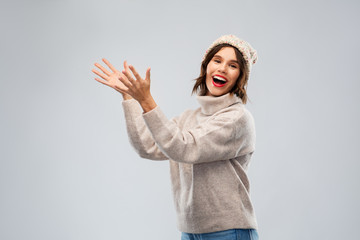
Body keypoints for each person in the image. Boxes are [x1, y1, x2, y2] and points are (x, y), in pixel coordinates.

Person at [92, 34, 259, 240]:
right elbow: (148, 146)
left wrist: (147, 100)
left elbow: (183, 148)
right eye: (217, 60)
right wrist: (130, 98)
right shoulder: (189, 118)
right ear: (206, 67)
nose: (222, 68)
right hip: (189, 232)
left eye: (233, 65)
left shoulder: (237, 119)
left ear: (240, 78)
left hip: (228, 232)